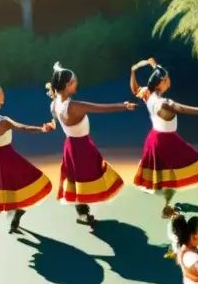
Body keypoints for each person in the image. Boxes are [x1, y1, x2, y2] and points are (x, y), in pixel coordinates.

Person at [129, 58, 198, 218]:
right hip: (167, 142)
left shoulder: (147, 94)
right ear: (160, 83)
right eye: (166, 79)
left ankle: (166, 204)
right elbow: (190, 110)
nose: (169, 80)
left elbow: (134, 89)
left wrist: (139, 70)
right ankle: (166, 208)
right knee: (172, 176)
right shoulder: (166, 104)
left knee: (165, 176)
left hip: (154, 139)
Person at [47, 62, 134, 227]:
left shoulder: (55, 104)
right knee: (93, 175)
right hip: (82, 147)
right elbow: (101, 108)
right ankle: (83, 213)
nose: (76, 83)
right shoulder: (74, 106)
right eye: (74, 82)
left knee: (77, 179)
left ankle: (82, 213)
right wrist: (124, 105)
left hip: (70, 146)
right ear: (67, 85)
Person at [0, 72, 55, 233]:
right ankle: (18, 211)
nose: (3, 100)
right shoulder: (3, 121)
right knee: (30, 182)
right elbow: (23, 128)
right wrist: (43, 129)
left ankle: (15, 212)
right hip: (7, 157)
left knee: (9, 187)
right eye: (1, 96)